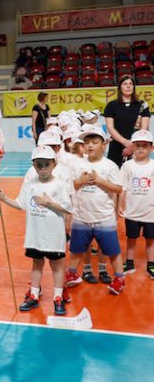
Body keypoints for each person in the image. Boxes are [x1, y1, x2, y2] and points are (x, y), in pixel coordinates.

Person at [0, 146, 72, 315]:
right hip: (35, 235)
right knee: (36, 264)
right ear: (34, 165)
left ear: (54, 164)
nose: (43, 168)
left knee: (56, 266)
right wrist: (4, 198)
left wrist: (48, 203)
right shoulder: (30, 184)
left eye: (46, 164)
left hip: (53, 236)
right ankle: (34, 295)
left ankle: (58, 297)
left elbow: (67, 208)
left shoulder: (59, 184)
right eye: (39, 164)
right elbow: (20, 204)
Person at [65, 126, 126, 295]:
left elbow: (118, 188)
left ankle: (119, 278)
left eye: (94, 142)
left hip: (104, 217)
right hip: (81, 217)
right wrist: (81, 181)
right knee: (76, 249)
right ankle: (72, 273)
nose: (90, 145)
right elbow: (69, 186)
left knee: (112, 250)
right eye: (86, 142)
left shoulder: (110, 166)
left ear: (104, 145)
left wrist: (99, 181)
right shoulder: (77, 164)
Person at [118, 129, 154, 278]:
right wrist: (120, 205)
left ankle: (151, 265)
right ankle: (129, 263)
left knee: (150, 239)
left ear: (151, 148)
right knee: (131, 238)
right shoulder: (127, 166)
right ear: (132, 146)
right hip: (132, 211)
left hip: (150, 212)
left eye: (144, 145)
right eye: (137, 145)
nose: (140, 148)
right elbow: (123, 188)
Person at [104, 75, 151, 167]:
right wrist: (125, 142)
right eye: (125, 84)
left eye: (131, 84)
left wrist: (132, 146)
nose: (128, 86)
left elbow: (143, 129)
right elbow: (110, 128)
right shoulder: (111, 105)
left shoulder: (142, 105)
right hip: (116, 146)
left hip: (137, 146)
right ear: (120, 87)